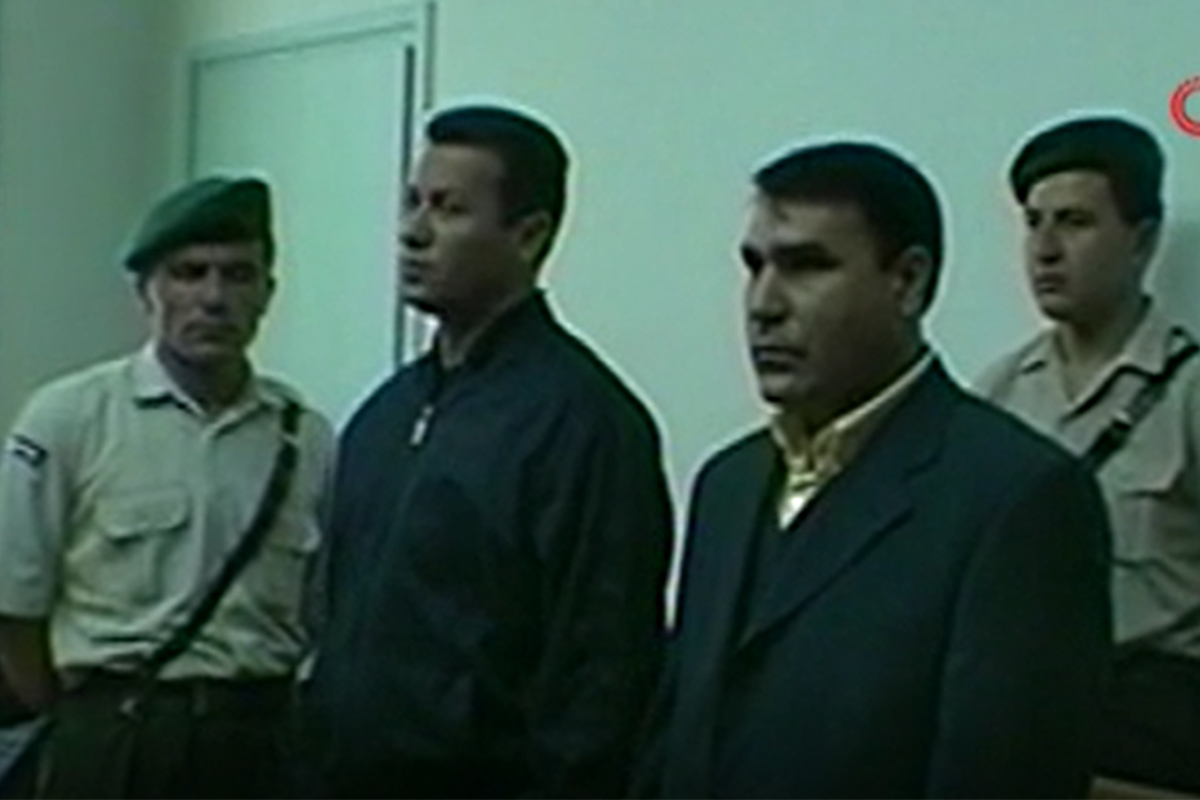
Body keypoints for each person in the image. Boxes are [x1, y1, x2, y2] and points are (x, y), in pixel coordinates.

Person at [637, 141, 1113, 797]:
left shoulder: (1017, 496)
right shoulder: (728, 484)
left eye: (807, 266)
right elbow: (674, 737)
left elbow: (1005, 773)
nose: (764, 303)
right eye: (755, 266)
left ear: (908, 281)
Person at [304, 104, 673, 798]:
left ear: (529, 235)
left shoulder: (584, 423)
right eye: (412, 202)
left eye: (448, 209)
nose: (413, 232)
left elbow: (602, 679)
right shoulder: (385, 415)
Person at [0, 176, 335, 798]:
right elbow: (16, 613)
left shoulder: (304, 437)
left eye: (238, 275)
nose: (214, 298)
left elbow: (320, 611)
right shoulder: (70, 419)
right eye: (189, 274)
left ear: (268, 293)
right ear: (146, 292)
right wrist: (91, 726)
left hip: (257, 740)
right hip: (118, 735)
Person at [977, 116, 1200, 794]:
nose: (1045, 250)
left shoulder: (1190, 391)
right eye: (1033, 223)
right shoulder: (998, 395)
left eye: (1074, 223)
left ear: (1142, 240)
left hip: (1159, 712)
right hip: (1028, 700)